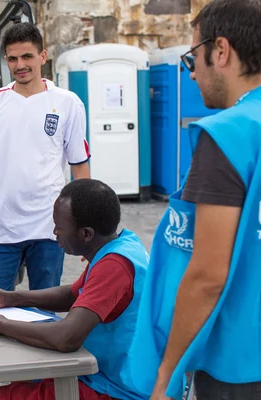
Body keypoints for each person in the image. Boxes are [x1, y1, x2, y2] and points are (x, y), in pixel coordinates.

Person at [126, 1, 261, 399]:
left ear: (221, 51)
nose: (193, 73)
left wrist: (166, 374)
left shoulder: (228, 133)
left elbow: (207, 276)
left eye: (192, 58)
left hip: (238, 363)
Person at [0, 178, 149, 400]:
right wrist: (11, 298)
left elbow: (67, 338)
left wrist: (0, 325)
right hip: (110, 376)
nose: (54, 232)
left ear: (86, 234)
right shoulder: (121, 246)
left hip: (118, 390)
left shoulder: (114, 266)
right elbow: (74, 295)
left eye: (60, 227)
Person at [0, 22, 90, 293]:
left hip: (49, 228)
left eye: (27, 56)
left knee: (44, 311)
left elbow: (79, 166)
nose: (20, 64)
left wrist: (85, 224)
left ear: (42, 56)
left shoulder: (69, 103)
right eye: (12, 58)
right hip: (0, 228)